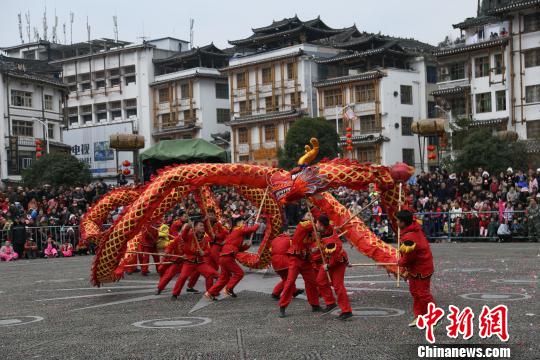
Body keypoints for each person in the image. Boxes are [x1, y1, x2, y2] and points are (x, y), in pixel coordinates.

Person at [278, 211, 323, 318]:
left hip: (306, 259)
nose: (310, 216)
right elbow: (316, 226)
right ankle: (282, 306)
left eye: (311, 215)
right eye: (308, 215)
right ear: (303, 217)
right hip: (296, 258)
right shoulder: (302, 225)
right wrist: (320, 223)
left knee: (312, 282)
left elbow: (311, 244)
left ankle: (315, 304)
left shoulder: (312, 231)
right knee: (290, 282)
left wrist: (314, 248)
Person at [395, 210, 435, 327]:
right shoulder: (411, 230)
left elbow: (409, 257)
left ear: (403, 223)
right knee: (415, 292)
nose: (396, 222)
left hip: (421, 269)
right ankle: (420, 317)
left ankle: (435, 315)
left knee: (423, 294)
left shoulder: (410, 236)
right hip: (415, 268)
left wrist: (399, 263)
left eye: (397, 220)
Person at [205, 217, 259, 300]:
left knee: (224, 277)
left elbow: (238, 248)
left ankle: (210, 292)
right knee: (239, 273)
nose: (244, 224)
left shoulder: (235, 233)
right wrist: (257, 224)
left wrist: (247, 245)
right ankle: (228, 288)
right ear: (237, 223)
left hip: (225, 256)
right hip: (227, 256)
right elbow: (252, 229)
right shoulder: (237, 229)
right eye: (242, 222)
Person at [315, 215, 353, 320]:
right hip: (329, 260)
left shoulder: (331, 241)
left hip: (337, 263)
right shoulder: (328, 228)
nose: (315, 225)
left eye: (317, 223)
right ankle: (330, 303)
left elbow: (336, 257)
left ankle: (346, 311)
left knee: (338, 286)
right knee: (320, 281)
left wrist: (328, 265)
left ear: (322, 225)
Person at [170, 220, 218, 299]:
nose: (202, 227)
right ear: (195, 227)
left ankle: (210, 293)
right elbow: (183, 236)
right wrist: (188, 227)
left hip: (200, 262)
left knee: (210, 274)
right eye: (200, 225)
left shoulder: (206, 238)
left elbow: (208, 250)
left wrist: (204, 253)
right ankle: (175, 293)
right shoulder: (189, 235)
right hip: (189, 261)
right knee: (183, 276)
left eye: (203, 226)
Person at [270, 232, 303, 300]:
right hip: (284, 261)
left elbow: (271, 250)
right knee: (289, 279)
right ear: (285, 232)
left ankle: (294, 291)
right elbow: (293, 250)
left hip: (275, 262)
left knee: (286, 279)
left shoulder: (274, 240)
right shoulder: (289, 240)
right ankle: (276, 293)